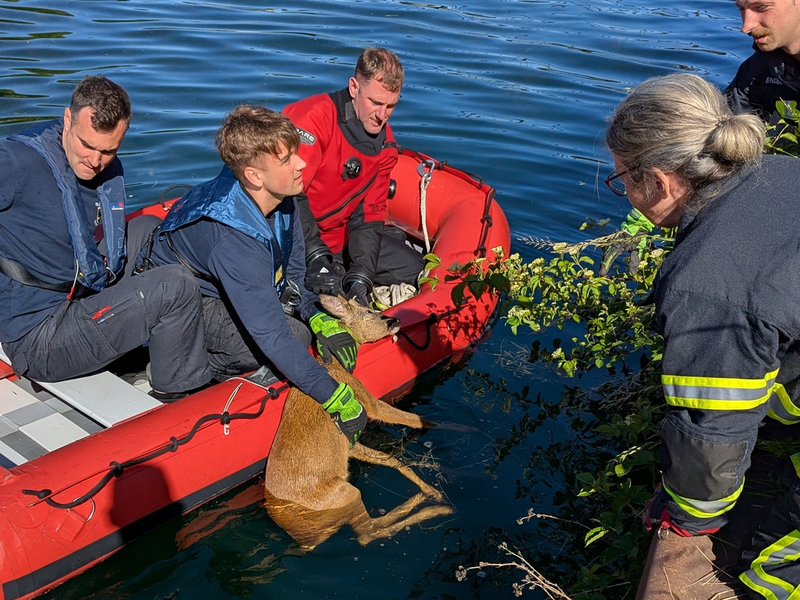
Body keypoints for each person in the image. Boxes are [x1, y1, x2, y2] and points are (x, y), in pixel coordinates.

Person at [604, 72, 800, 599]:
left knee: (770, 582)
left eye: (621, 178)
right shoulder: (779, 172)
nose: (624, 193)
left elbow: (710, 439)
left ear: (662, 183)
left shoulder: (708, 286)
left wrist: (686, 516)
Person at [137, 105, 366, 445]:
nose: (302, 164)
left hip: (217, 287)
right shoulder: (234, 239)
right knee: (292, 338)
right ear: (254, 176)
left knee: (302, 327)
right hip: (178, 306)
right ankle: (188, 361)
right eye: (287, 160)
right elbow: (272, 336)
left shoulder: (282, 200)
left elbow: (295, 274)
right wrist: (333, 396)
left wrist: (316, 314)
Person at [0, 75, 211, 399]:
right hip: (38, 338)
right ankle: (178, 398)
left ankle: (205, 321)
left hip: (77, 295)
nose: (95, 161)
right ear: (68, 119)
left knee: (147, 229)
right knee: (175, 285)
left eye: (108, 150)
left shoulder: (96, 165)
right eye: (87, 145)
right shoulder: (16, 161)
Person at [282, 47, 424, 306]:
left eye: (391, 105)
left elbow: (370, 214)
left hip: (340, 240)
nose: (382, 115)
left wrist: (361, 277)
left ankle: (351, 276)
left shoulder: (386, 147)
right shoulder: (312, 120)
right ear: (354, 88)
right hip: (294, 237)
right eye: (375, 102)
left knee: (416, 271)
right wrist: (315, 256)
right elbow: (287, 195)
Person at [725, 0, 800, 120]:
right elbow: (727, 120)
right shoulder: (758, 68)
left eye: (761, 8)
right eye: (742, 9)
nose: (746, 27)